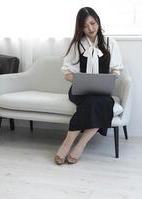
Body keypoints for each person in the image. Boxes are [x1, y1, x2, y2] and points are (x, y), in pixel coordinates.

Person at [54, 7, 123, 165]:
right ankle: (68, 144)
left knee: (98, 102)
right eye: (85, 26)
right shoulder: (77, 45)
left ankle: (78, 144)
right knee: (97, 103)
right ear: (80, 28)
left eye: (93, 23)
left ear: (98, 21)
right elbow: (66, 73)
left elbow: (116, 70)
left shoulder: (110, 43)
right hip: (80, 91)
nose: (90, 29)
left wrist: (107, 80)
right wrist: (80, 80)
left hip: (101, 92)